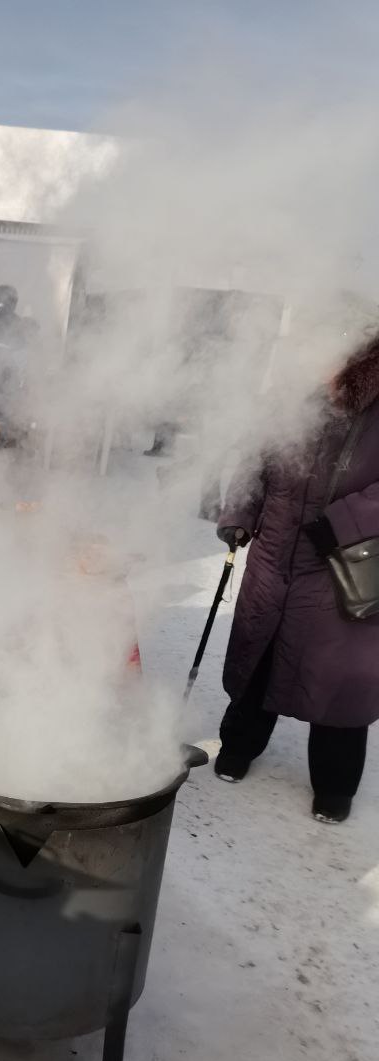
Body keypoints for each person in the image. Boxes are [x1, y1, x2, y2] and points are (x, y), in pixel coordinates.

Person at [215, 332, 379, 823]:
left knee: (339, 680)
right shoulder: (289, 395)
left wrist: (347, 522)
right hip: (274, 556)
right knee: (258, 656)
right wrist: (239, 513)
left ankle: (334, 785)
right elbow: (255, 459)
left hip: (343, 563)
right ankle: (238, 749)